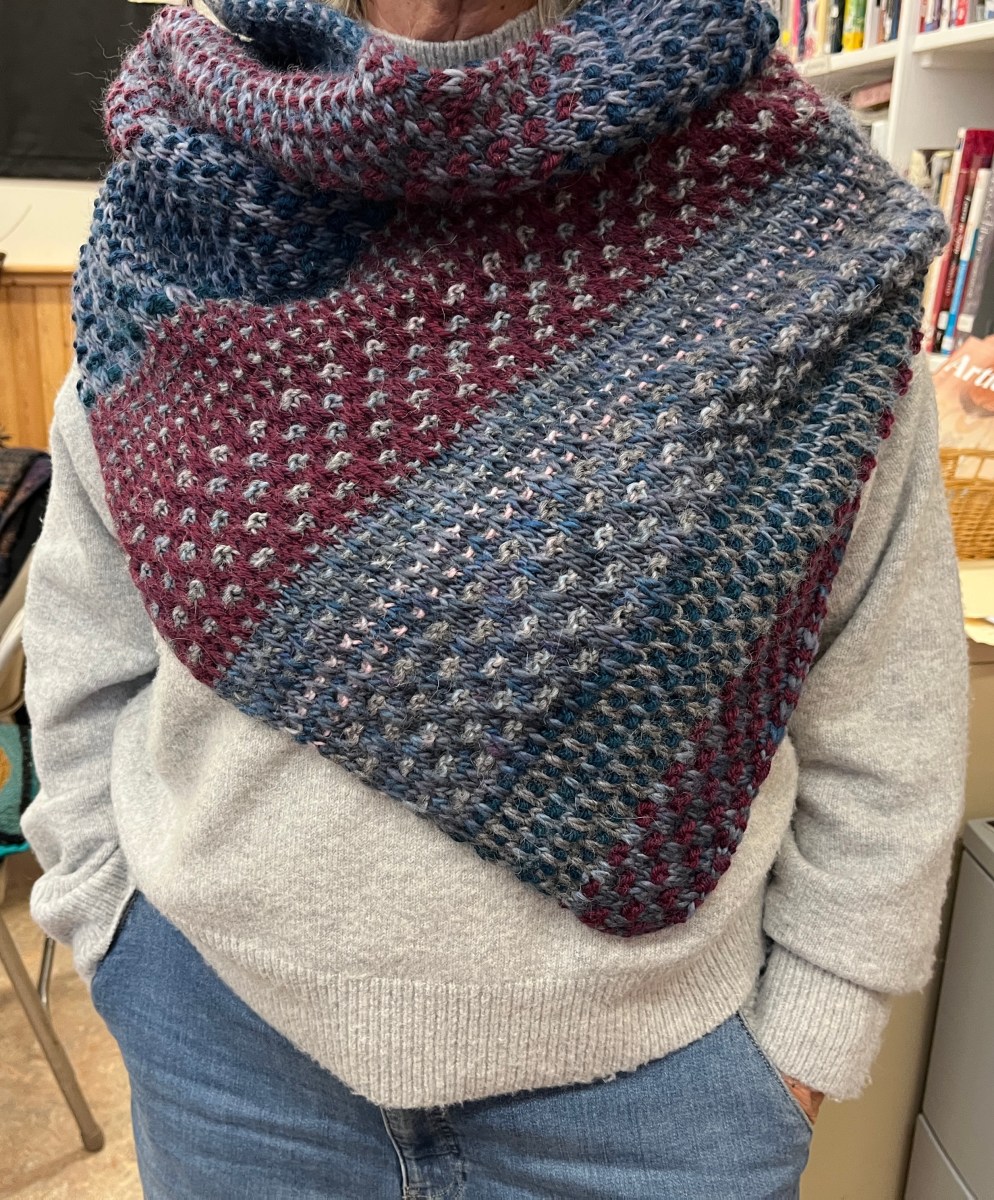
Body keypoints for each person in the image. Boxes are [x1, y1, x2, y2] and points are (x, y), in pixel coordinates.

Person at [21, 0, 967, 1195]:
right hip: (223, 1061)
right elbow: (87, 618)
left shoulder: (786, 221)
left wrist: (805, 1045)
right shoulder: (193, 190)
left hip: (652, 1106)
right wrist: (105, 918)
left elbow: (884, 701)